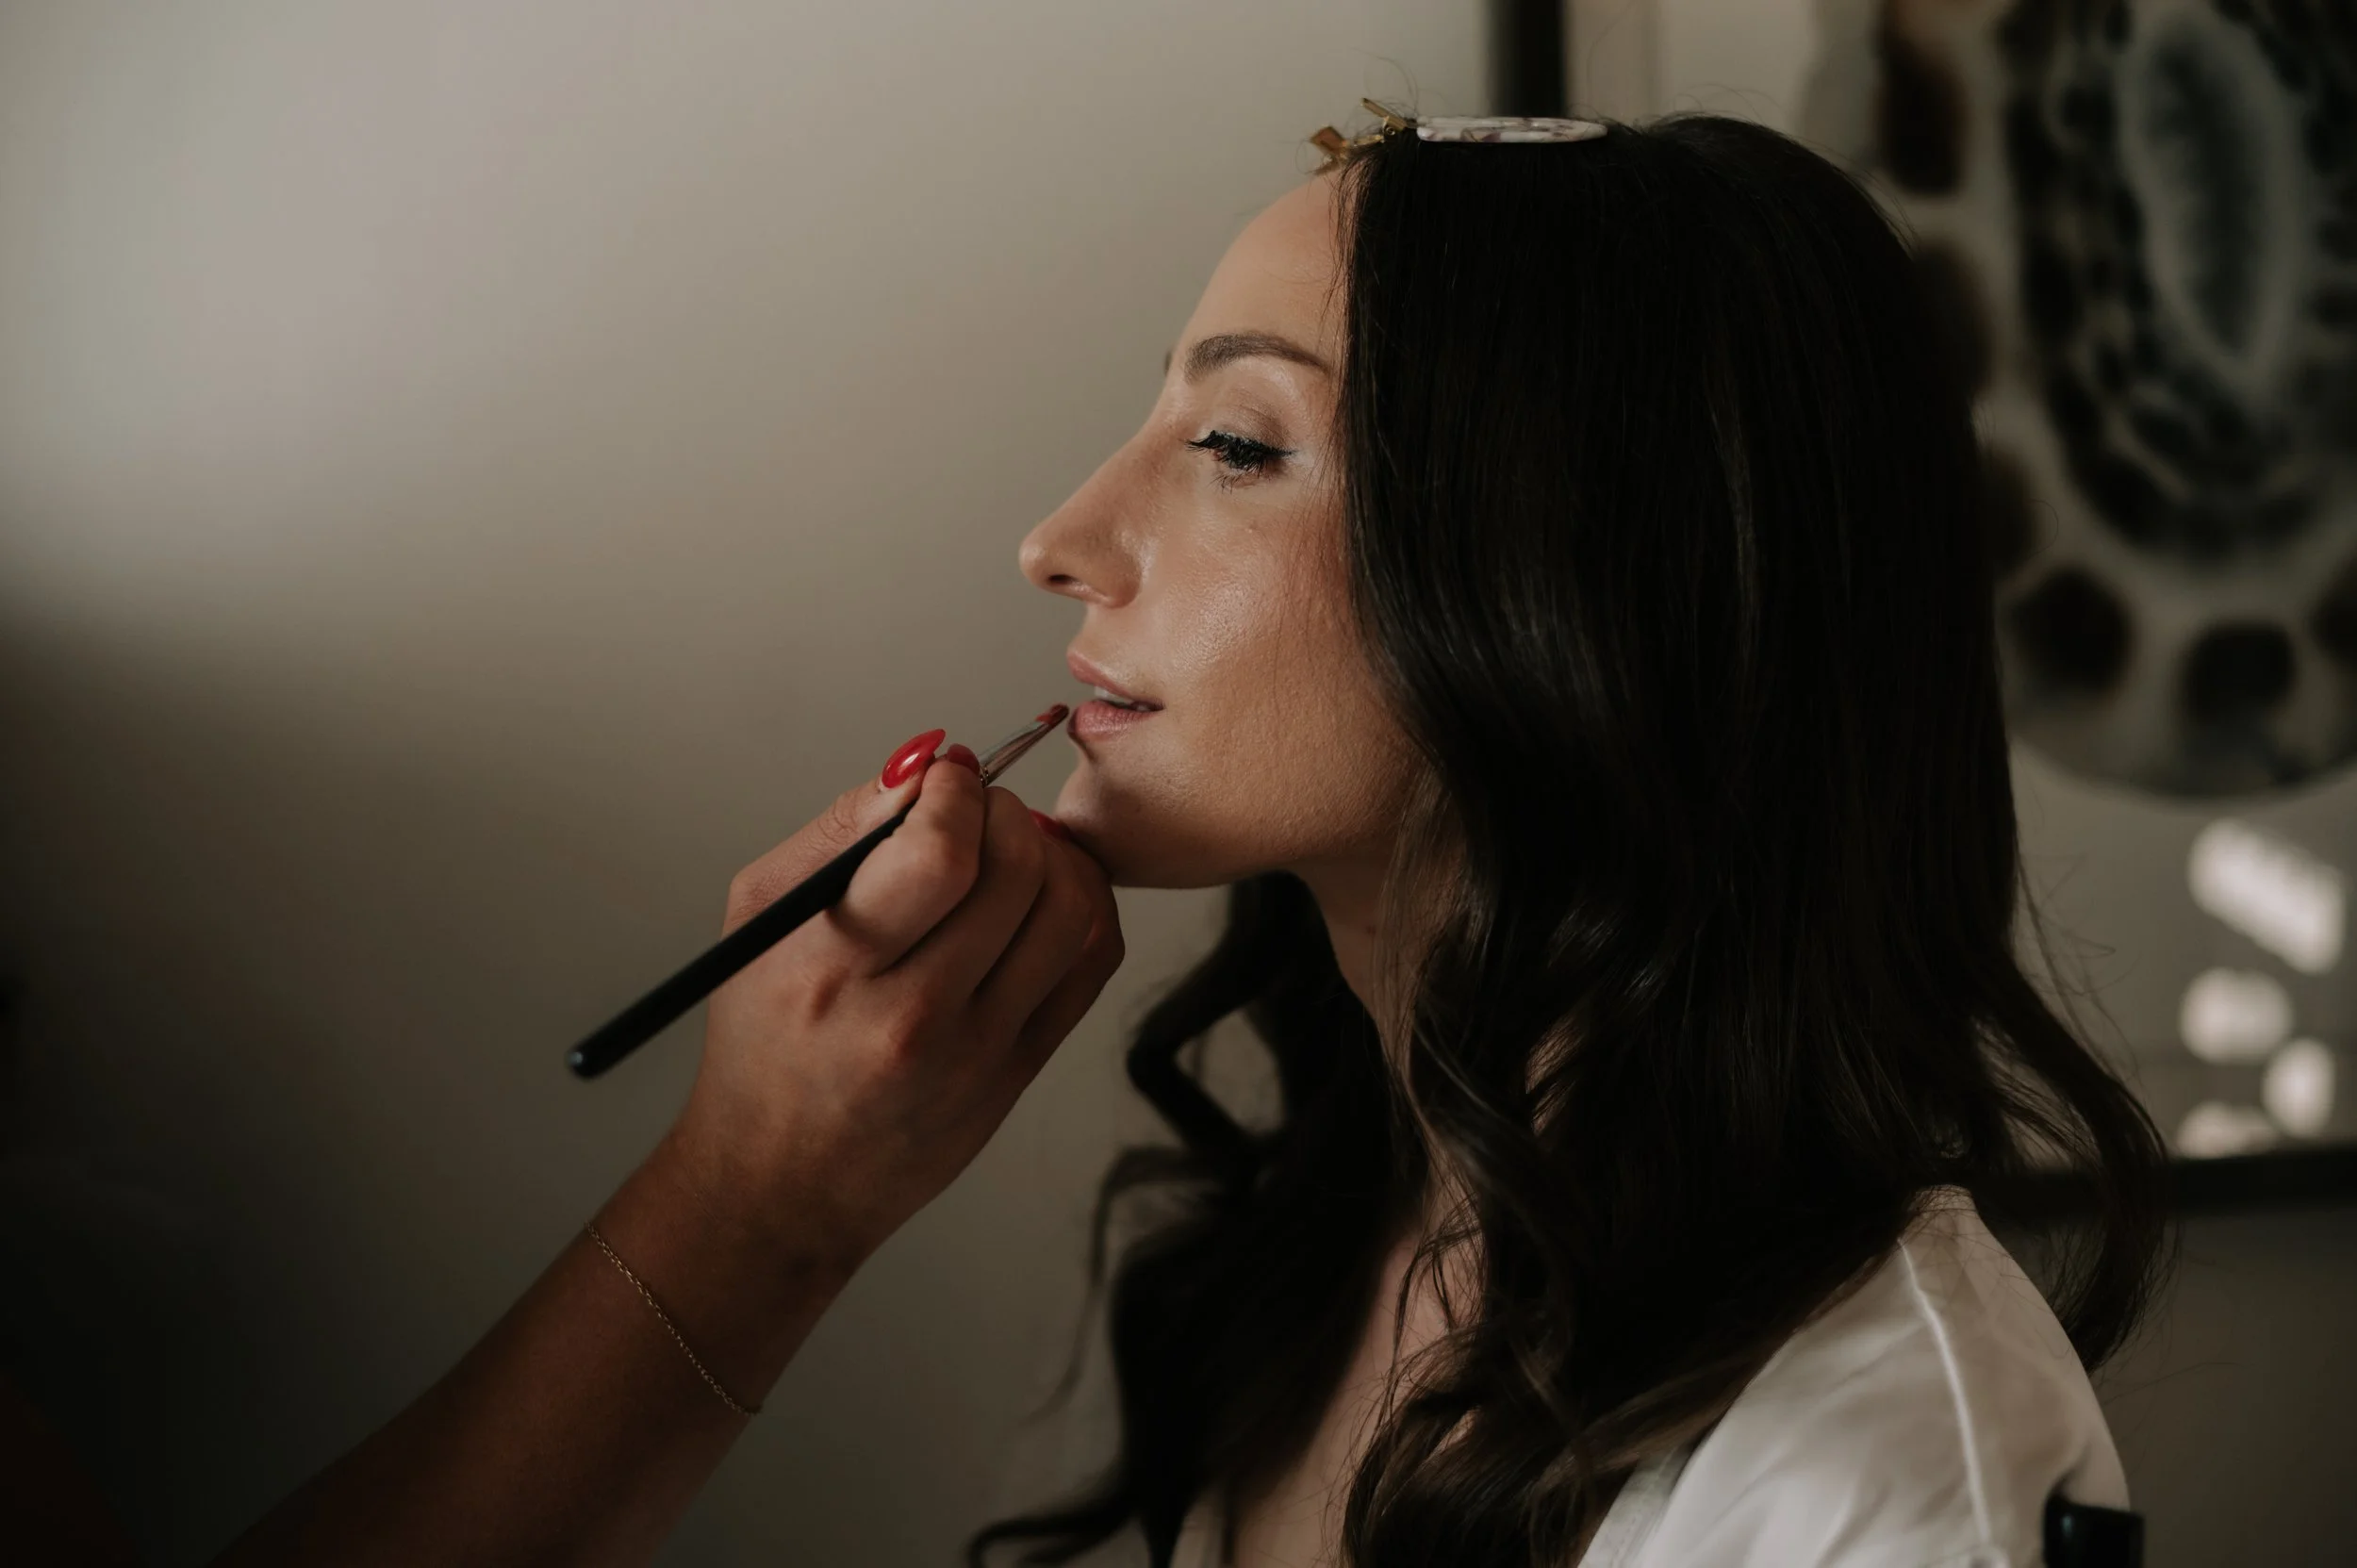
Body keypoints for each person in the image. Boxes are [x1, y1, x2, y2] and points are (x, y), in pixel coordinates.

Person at [1, 105, 2169, 1568]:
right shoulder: (1318, 1240)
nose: (1053, 538)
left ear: (1581, 591)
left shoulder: (1877, 1485)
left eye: (1231, 440)